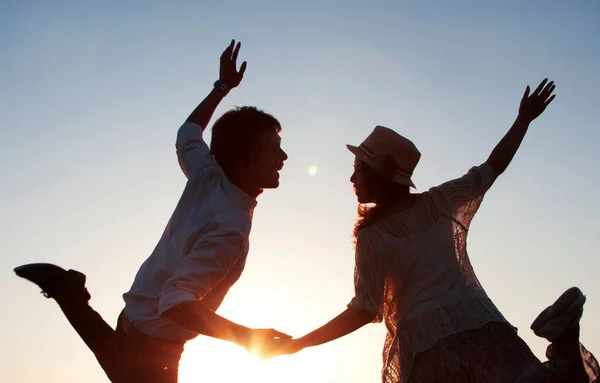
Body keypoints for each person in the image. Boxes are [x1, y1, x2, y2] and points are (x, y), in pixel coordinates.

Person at [269, 79, 597, 382]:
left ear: (379, 174)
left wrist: (300, 343)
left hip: (434, 354)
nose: (352, 180)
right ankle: (564, 347)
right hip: (488, 331)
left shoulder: (373, 236)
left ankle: (564, 349)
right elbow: (493, 166)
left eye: (358, 170)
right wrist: (523, 119)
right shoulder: (440, 202)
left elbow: (364, 310)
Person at [14, 39, 290, 383]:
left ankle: (68, 293)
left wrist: (222, 88)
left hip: (134, 320)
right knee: (117, 361)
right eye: (273, 151)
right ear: (242, 162)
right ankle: (69, 294)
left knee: (113, 357)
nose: (284, 158)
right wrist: (248, 337)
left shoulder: (207, 175)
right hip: (154, 352)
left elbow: (188, 134)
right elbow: (176, 303)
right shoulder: (229, 230)